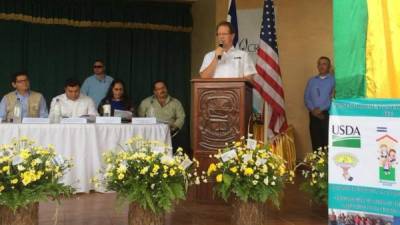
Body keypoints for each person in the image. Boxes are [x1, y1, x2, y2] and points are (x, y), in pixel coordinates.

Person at [304, 56, 335, 151]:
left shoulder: (333, 81)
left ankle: (327, 165)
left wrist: (321, 110)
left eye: (324, 64)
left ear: (329, 66)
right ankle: (317, 164)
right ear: (317, 66)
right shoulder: (312, 81)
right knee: (315, 141)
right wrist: (313, 110)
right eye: (319, 64)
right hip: (313, 115)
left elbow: (333, 98)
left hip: (327, 115)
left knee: (327, 142)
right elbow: (306, 97)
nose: (321, 66)